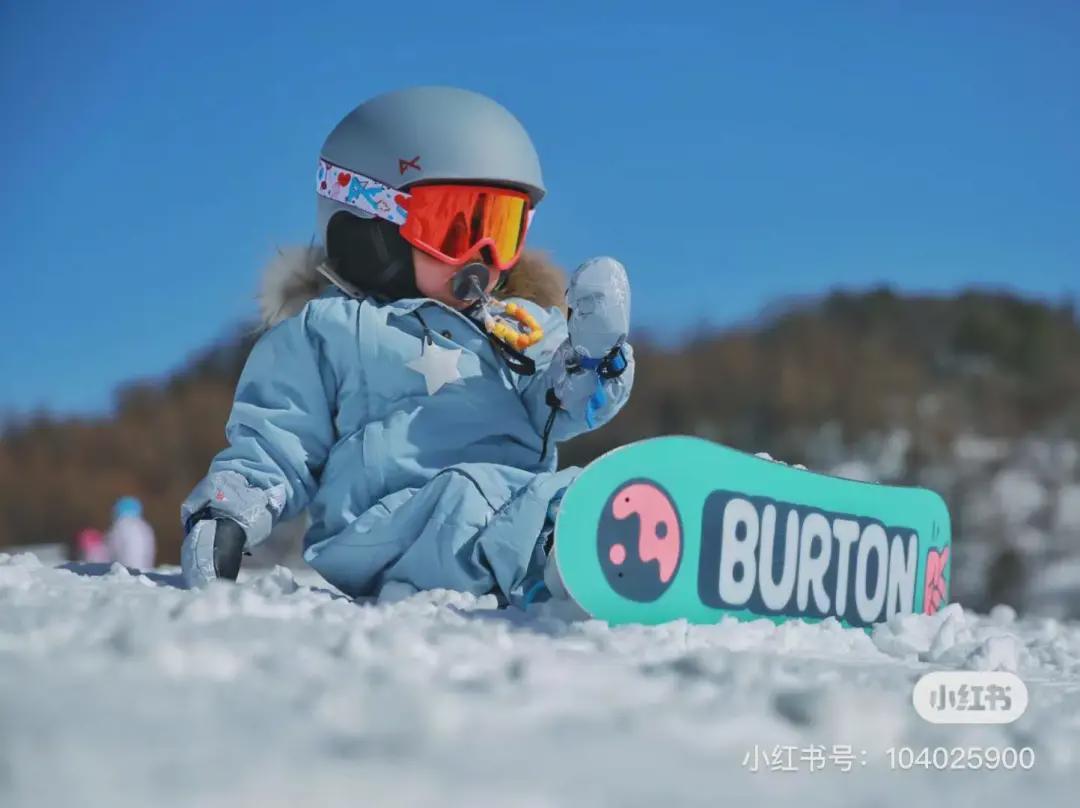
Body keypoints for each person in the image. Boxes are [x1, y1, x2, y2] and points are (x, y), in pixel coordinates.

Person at [180, 86, 634, 603]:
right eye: (457, 228)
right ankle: (581, 554)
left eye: (501, 230)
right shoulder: (333, 331)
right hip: (387, 528)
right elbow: (278, 438)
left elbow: (561, 400)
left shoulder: (518, 327)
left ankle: (674, 525)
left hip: (513, 507)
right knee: (467, 498)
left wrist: (594, 356)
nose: (482, 256)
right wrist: (229, 509)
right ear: (376, 229)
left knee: (560, 494)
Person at [106, 496, 156, 571]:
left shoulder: (120, 526)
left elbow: (113, 550)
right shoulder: (144, 526)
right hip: (144, 569)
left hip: (123, 571)